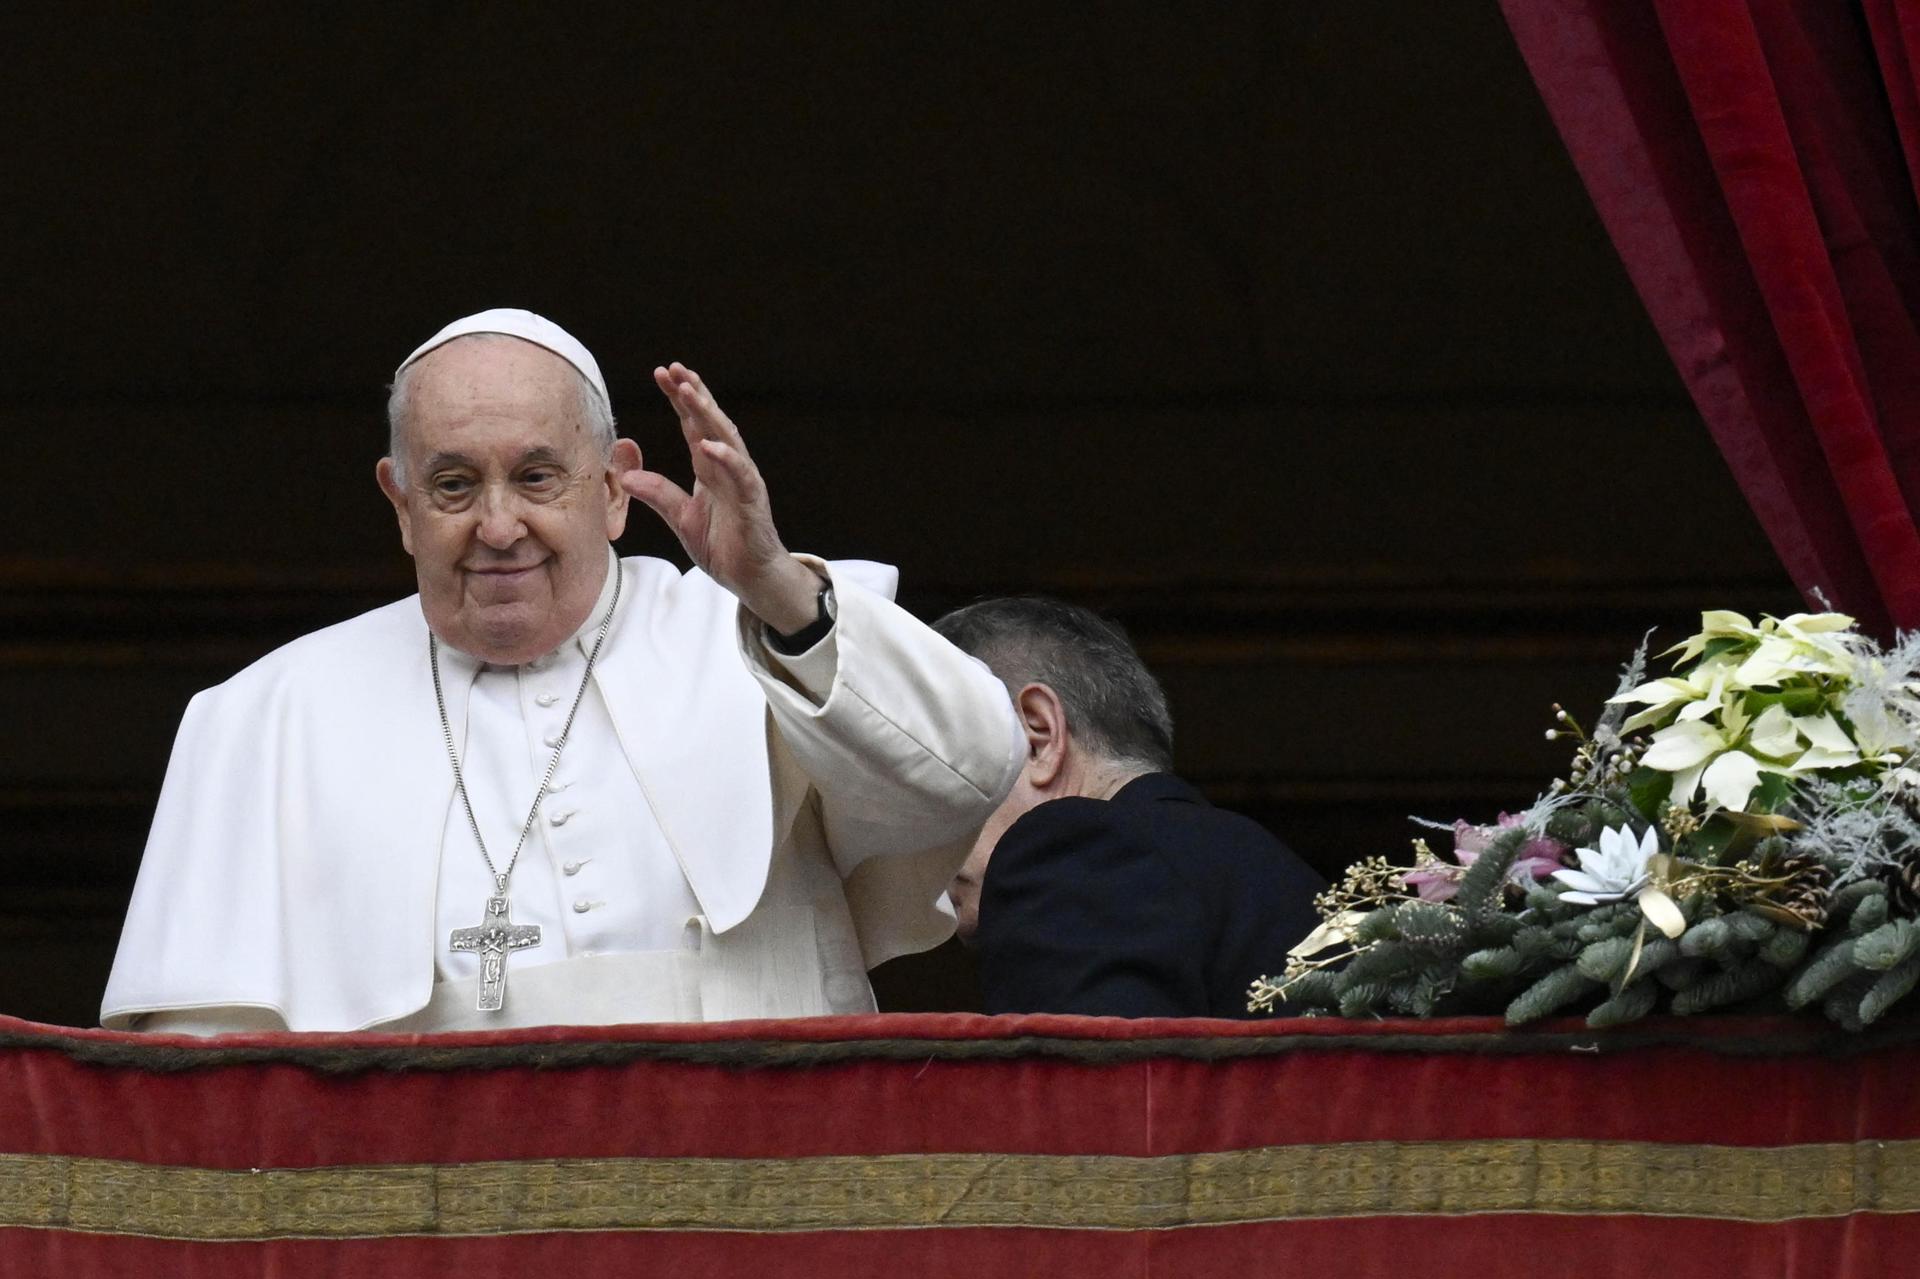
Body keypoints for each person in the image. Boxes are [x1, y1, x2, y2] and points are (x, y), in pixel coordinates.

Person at [101, 308, 1021, 1033]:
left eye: (538, 478)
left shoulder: (762, 632)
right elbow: (202, 1068)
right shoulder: (271, 715)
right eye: (454, 485)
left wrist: (778, 588)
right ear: (400, 502)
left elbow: (972, 771)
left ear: (616, 485)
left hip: (752, 1188)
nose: (499, 527)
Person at [934, 597, 1324, 1018]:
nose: (916, 849)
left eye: (933, 778)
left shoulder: (1076, 860)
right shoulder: (1276, 873)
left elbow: (1089, 1085)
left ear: (1037, 738)